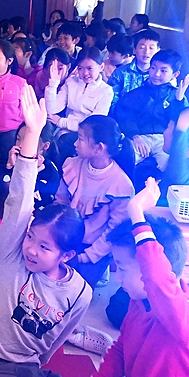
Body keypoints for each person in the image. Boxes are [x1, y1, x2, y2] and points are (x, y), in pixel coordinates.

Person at [0, 85, 92, 377]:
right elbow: (20, 196)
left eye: (44, 247)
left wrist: (33, 365)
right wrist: (32, 134)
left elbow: (54, 342)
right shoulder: (13, 251)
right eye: (32, 237)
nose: (32, 249)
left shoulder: (80, 292)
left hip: (27, 369)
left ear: (67, 255)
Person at [73, 178, 189, 377]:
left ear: (147, 266)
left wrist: (136, 211)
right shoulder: (139, 302)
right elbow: (121, 349)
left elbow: (157, 276)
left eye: (122, 269)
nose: (118, 278)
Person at [56, 115, 134, 288]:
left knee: (75, 288)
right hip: (67, 237)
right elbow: (60, 203)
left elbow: (113, 231)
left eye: (80, 139)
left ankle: (100, 270)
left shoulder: (121, 185)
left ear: (99, 148)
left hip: (93, 248)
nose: (75, 143)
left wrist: (86, 256)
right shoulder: (72, 165)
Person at [115, 49, 189, 170]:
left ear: (175, 74)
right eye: (153, 68)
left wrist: (179, 100)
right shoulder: (136, 94)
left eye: (163, 70)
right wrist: (135, 136)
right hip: (140, 136)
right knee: (125, 159)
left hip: (164, 140)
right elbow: (125, 116)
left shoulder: (176, 95)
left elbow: (180, 122)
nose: (156, 74)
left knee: (171, 168)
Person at [45, 47, 113, 160]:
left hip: (87, 134)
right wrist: (53, 84)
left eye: (89, 68)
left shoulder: (106, 91)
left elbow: (93, 124)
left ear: (101, 67)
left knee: (65, 141)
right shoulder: (71, 82)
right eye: (80, 68)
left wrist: (62, 122)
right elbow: (52, 109)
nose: (85, 73)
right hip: (64, 129)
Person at [107, 29, 160, 111]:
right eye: (142, 47)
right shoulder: (120, 73)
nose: (146, 52)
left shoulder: (159, 75)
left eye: (151, 48)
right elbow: (111, 100)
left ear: (158, 51)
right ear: (134, 50)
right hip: (123, 116)